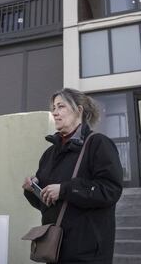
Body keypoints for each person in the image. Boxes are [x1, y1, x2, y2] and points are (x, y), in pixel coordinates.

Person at [23, 88, 123, 264]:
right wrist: (33, 190)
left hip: (87, 253)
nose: (55, 112)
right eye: (54, 107)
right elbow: (46, 205)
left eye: (61, 106)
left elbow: (110, 190)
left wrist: (65, 189)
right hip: (54, 251)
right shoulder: (49, 154)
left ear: (79, 110)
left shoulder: (98, 144)